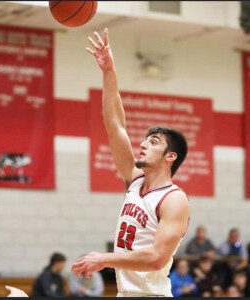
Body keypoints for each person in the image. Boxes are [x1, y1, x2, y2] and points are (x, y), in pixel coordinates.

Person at [72, 28, 190, 297]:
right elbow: (115, 126)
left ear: (170, 157)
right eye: (145, 140)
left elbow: (157, 257)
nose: (143, 144)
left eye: (154, 142)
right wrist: (108, 72)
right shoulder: (135, 181)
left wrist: (103, 259)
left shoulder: (174, 199)